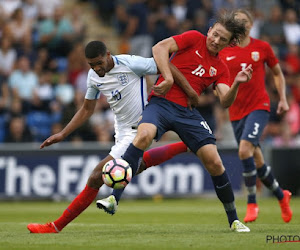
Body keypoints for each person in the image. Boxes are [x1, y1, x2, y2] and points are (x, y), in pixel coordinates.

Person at [100, 11, 253, 232]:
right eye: (215, 34)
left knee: (215, 162)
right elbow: (159, 48)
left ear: (228, 44)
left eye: (223, 39)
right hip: (161, 104)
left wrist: (237, 83)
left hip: (187, 114)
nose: (216, 40)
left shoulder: (221, 68)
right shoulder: (193, 38)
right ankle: (113, 199)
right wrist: (169, 78)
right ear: (209, 30)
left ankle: (234, 220)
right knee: (143, 136)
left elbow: (225, 100)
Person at [26, 40, 192, 233]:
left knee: (97, 175)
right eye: (91, 65)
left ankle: (55, 226)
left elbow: (165, 64)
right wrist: (63, 133)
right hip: (120, 130)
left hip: (139, 128)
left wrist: (189, 92)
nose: (96, 68)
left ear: (108, 55)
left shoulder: (131, 63)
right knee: (135, 166)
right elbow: (87, 109)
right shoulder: (93, 76)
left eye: (99, 63)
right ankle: (185, 146)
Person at [219, 9, 292, 223]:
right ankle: (281, 195)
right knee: (257, 160)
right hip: (235, 112)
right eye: (237, 22)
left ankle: (252, 203)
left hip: (259, 106)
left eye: (244, 21)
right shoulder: (224, 51)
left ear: (250, 25)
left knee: (243, 150)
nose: (241, 25)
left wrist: (283, 98)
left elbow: (277, 73)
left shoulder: (262, 47)